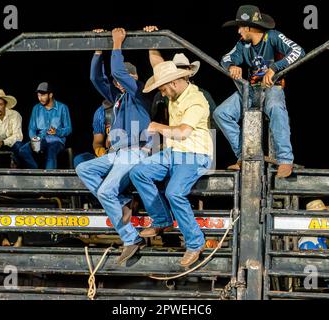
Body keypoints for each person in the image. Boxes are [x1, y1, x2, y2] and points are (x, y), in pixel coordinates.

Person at [76, 28, 151, 265]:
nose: (118, 83)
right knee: (84, 169)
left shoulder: (140, 92)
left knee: (105, 191)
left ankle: (131, 238)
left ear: (132, 78)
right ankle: (122, 202)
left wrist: (117, 42)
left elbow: (117, 70)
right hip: (118, 154)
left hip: (136, 152)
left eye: (122, 80)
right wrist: (98, 49)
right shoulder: (119, 98)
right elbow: (95, 79)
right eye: (118, 81)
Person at [129, 61, 213, 268]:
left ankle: (195, 243)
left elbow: (184, 132)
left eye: (164, 89)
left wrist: (157, 126)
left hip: (195, 154)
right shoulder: (176, 94)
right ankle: (162, 220)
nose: (163, 94)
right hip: (174, 152)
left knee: (174, 192)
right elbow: (159, 64)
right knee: (139, 172)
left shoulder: (196, 100)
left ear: (175, 83)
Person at [213, 5, 305, 177]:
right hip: (251, 89)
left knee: (276, 108)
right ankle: (242, 156)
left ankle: (285, 160)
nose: (239, 31)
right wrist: (231, 65)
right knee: (221, 113)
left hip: (272, 87)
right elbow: (225, 58)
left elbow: (299, 51)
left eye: (241, 27)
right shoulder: (243, 44)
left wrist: (275, 68)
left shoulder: (273, 36)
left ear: (249, 27)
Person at [143, 26, 217, 128]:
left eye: (182, 70)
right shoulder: (164, 93)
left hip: (189, 139)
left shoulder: (198, 96)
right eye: (177, 69)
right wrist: (152, 38)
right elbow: (158, 66)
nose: (163, 93)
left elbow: (184, 132)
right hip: (170, 138)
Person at [19, 82, 72, 169]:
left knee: (51, 151)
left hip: (56, 140)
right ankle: (36, 173)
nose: (40, 98)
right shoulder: (36, 108)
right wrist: (34, 139)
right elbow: (32, 128)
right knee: (23, 150)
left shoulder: (62, 107)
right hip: (41, 139)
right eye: (38, 95)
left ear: (50, 95)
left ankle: (49, 181)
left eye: (43, 95)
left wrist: (57, 131)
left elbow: (68, 129)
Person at [0, 89, 24, 166]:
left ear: (5, 104)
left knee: (19, 145)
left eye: (0, 105)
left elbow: (18, 136)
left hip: (11, 145)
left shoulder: (15, 115)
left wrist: (2, 143)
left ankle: (18, 168)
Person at [73, 99, 113, 168]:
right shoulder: (103, 111)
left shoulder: (133, 109)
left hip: (127, 156)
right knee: (80, 160)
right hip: (110, 157)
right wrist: (100, 152)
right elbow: (98, 142)